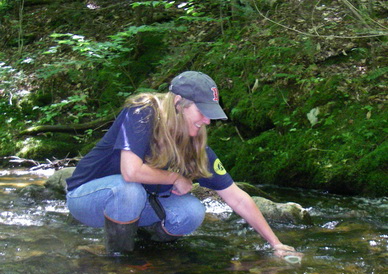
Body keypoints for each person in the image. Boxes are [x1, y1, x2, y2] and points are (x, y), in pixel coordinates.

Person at [66, 71, 297, 258]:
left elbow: (236, 197)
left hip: (138, 203)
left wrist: (276, 243)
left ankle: (146, 249)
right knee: (129, 189)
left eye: (210, 114)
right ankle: (118, 259)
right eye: (202, 112)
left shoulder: (196, 146)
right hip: (87, 197)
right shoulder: (141, 112)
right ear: (178, 103)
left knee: (192, 211)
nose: (207, 121)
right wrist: (174, 177)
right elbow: (131, 171)